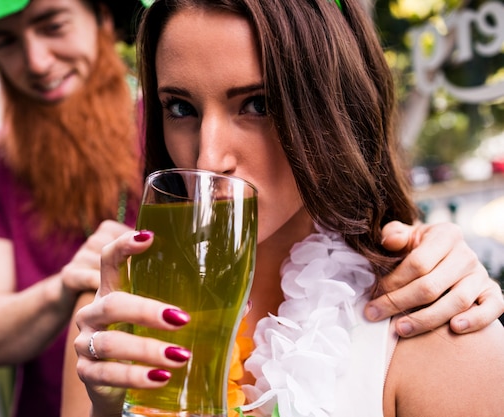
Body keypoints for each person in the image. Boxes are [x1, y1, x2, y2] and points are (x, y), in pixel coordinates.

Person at [70, 0, 504, 416]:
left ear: (335, 107)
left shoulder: (439, 332)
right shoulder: (118, 312)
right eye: (181, 108)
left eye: (258, 104)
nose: (208, 159)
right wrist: (108, 409)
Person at [0, 0, 145, 416]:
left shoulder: (175, 126)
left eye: (53, 25)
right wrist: (65, 286)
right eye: (5, 42)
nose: (37, 62)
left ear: (102, 15)